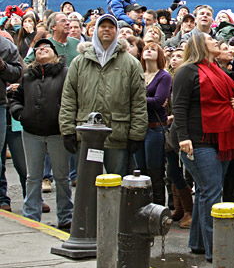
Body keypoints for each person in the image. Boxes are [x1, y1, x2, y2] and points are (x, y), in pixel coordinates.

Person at [173, 33, 234, 263]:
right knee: (211, 192)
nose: (215, 41)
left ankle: (199, 243)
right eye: (210, 38)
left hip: (220, 139)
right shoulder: (187, 71)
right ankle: (217, 249)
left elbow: (226, 95)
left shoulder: (217, 70)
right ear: (200, 45)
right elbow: (179, 106)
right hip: (197, 140)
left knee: (205, 192)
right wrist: (183, 138)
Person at [59, 14, 148, 176]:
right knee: (87, 183)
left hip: (117, 134)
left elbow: (138, 102)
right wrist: (67, 131)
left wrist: (136, 134)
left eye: (111, 27)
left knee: (115, 183)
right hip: (87, 134)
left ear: (117, 31)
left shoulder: (131, 63)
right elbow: (68, 99)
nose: (106, 30)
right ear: (95, 30)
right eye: (102, 26)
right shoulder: (79, 62)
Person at [9, 39, 73, 229]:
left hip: (57, 132)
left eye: (46, 48)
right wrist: (20, 114)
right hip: (32, 133)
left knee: (62, 177)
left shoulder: (66, 73)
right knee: (33, 176)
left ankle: (66, 216)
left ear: (55, 53)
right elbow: (16, 98)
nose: (41, 50)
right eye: (37, 49)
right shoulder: (28, 75)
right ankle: (31, 215)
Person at [137, 42, 172, 206]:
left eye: (153, 49)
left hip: (155, 128)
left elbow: (158, 101)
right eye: (146, 49)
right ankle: (143, 205)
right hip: (138, 127)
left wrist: (135, 100)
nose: (149, 51)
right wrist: (146, 101)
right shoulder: (138, 73)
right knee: (140, 170)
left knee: (155, 170)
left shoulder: (164, 76)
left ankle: (158, 207)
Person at [166, 47, 193, 229]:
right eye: (173, 56)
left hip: (182, 131)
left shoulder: (187, 77)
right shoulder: (168, 77)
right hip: (168, 131)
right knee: (172, 172)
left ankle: (189, 211)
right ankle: (179, 208)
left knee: (186, 172)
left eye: (179, 56)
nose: (174, 59)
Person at [0, 31, 23, 212]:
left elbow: (17, 73)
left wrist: (2, 66)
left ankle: (28, 198)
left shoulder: (6, 45)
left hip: (6, 109)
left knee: (20, 161)